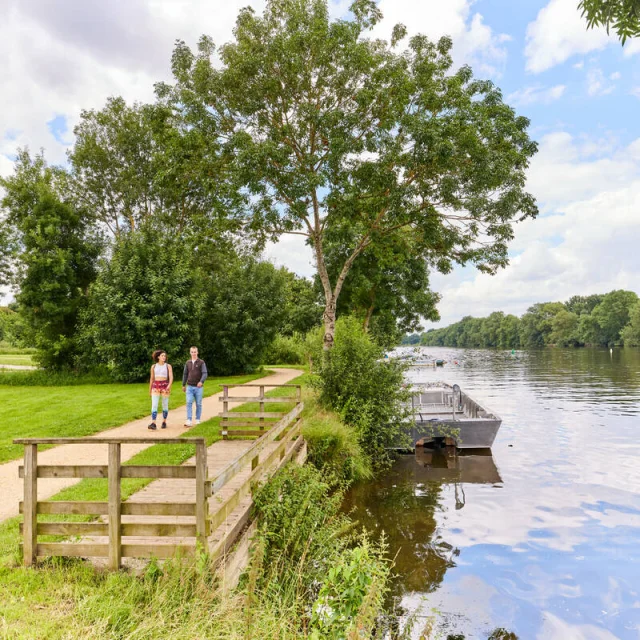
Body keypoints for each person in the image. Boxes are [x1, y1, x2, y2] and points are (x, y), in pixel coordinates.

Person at [182, 346, 208, 427]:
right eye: (192, 352)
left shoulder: (201, 362)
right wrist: (183, 384)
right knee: (189, 402)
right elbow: (185, 374)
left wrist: (201, 381)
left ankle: (197, 419)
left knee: (198, 404)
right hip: (189, 386)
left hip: (198, 387)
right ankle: (189, 420)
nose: (193, 353)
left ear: (197, 352)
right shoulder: (187, 362)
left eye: (195, 352)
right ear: (190, 353)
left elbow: (205, 373)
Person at [148, 350, 173, 430]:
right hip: (156, 386)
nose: (164, 357)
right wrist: (150, 390)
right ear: (158, 357)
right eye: (162, 356)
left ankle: (164, 421)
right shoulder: (154, 366)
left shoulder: (168, 366)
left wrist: (169, 385)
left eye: (165, 356)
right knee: (154, 404)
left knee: (165, 404)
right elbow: (152, 379)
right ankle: (153, 423)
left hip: (165, 385)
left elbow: (171, 377)